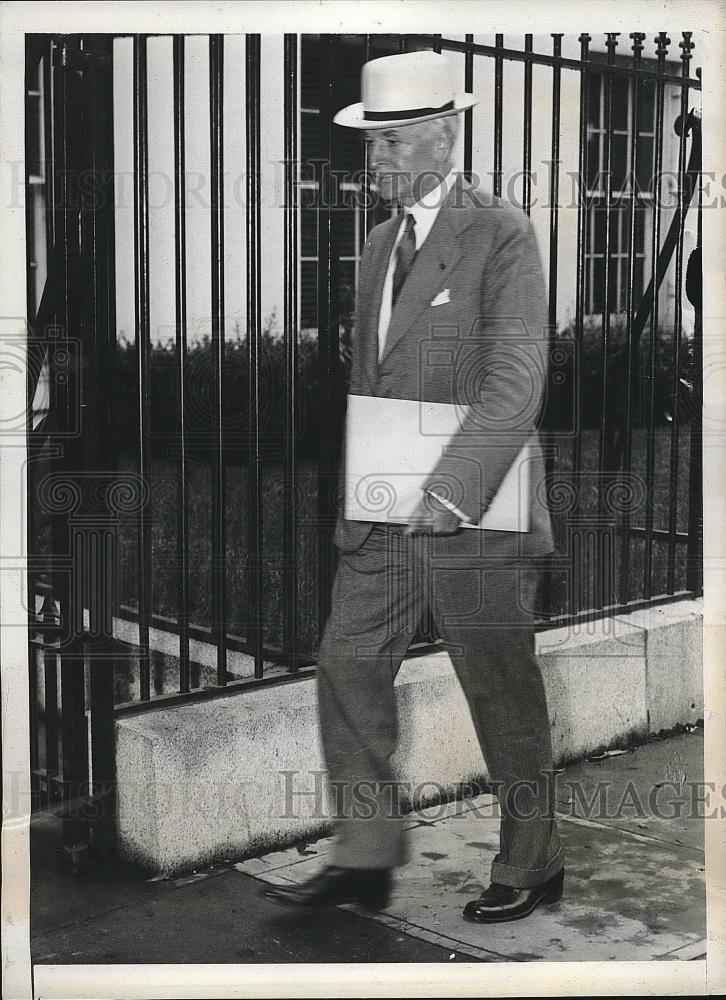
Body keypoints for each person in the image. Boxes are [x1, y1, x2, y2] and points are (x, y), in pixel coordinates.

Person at [264, 49, 564, 923]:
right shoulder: (375, 247)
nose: (377, 161)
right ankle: (366, 857)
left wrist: (453, 490)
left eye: (394, 142)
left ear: (446, 134)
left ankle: (533, 859)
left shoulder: (502, 232)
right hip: (384, 509)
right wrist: (366, 499)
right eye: (372, 144)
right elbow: (373, 379)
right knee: (347, 663)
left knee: (500, 688)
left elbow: (516, 383)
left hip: (477, 509)